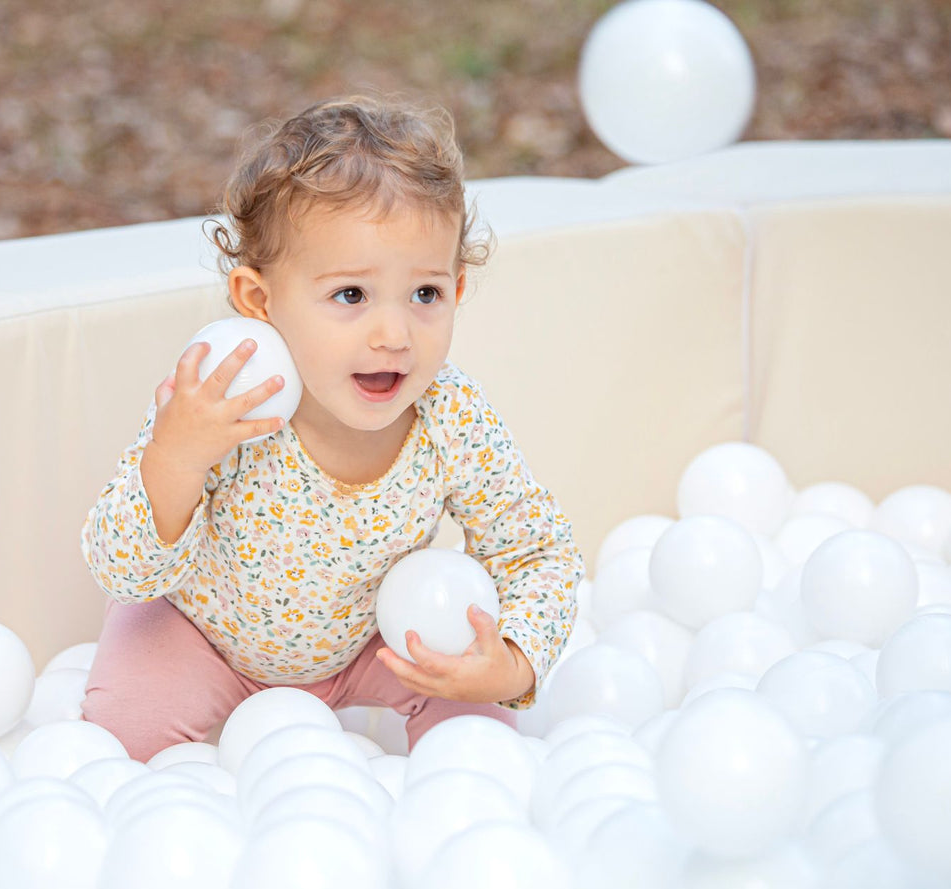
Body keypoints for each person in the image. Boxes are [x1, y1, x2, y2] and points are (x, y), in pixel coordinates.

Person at [79, 94, 583, 762]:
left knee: (476, 725)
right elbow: (121, 570)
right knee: (118, 740)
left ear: (457, 290)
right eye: (351, 296)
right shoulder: (223, 394)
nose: (394, 335)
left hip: (372, 643)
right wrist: (177, 454)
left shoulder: (449, 414)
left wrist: (512, 661)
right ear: (260, 301)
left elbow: (537, 550)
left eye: (424, 294)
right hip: (200, 634)